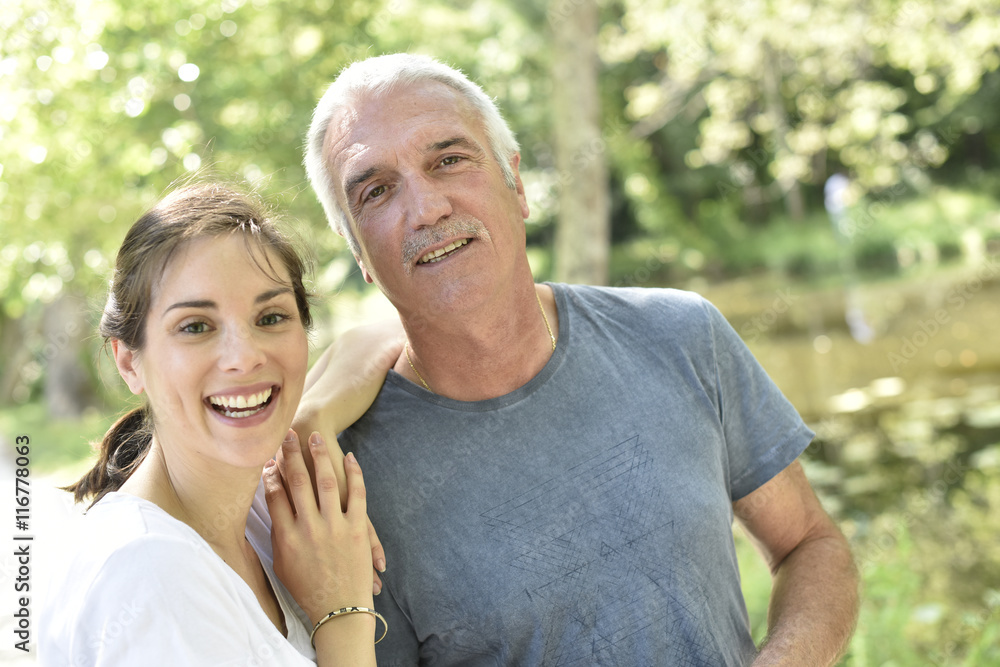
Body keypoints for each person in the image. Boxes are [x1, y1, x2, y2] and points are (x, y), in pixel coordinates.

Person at [286, 53, 860, 665]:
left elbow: (809, 544)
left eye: (449, 160)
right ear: (360, 255)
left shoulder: (681, 334)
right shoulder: (343, 490)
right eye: (376, 191)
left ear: (518, 185)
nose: (426, 208)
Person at [39, 183, 402, 666]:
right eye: (195, 326)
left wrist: (312, 418)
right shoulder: (148, 577)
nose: (245, 356)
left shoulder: (255, 508)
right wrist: (342, 615)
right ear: (129, 362)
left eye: (271, 317)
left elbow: (386, 334)